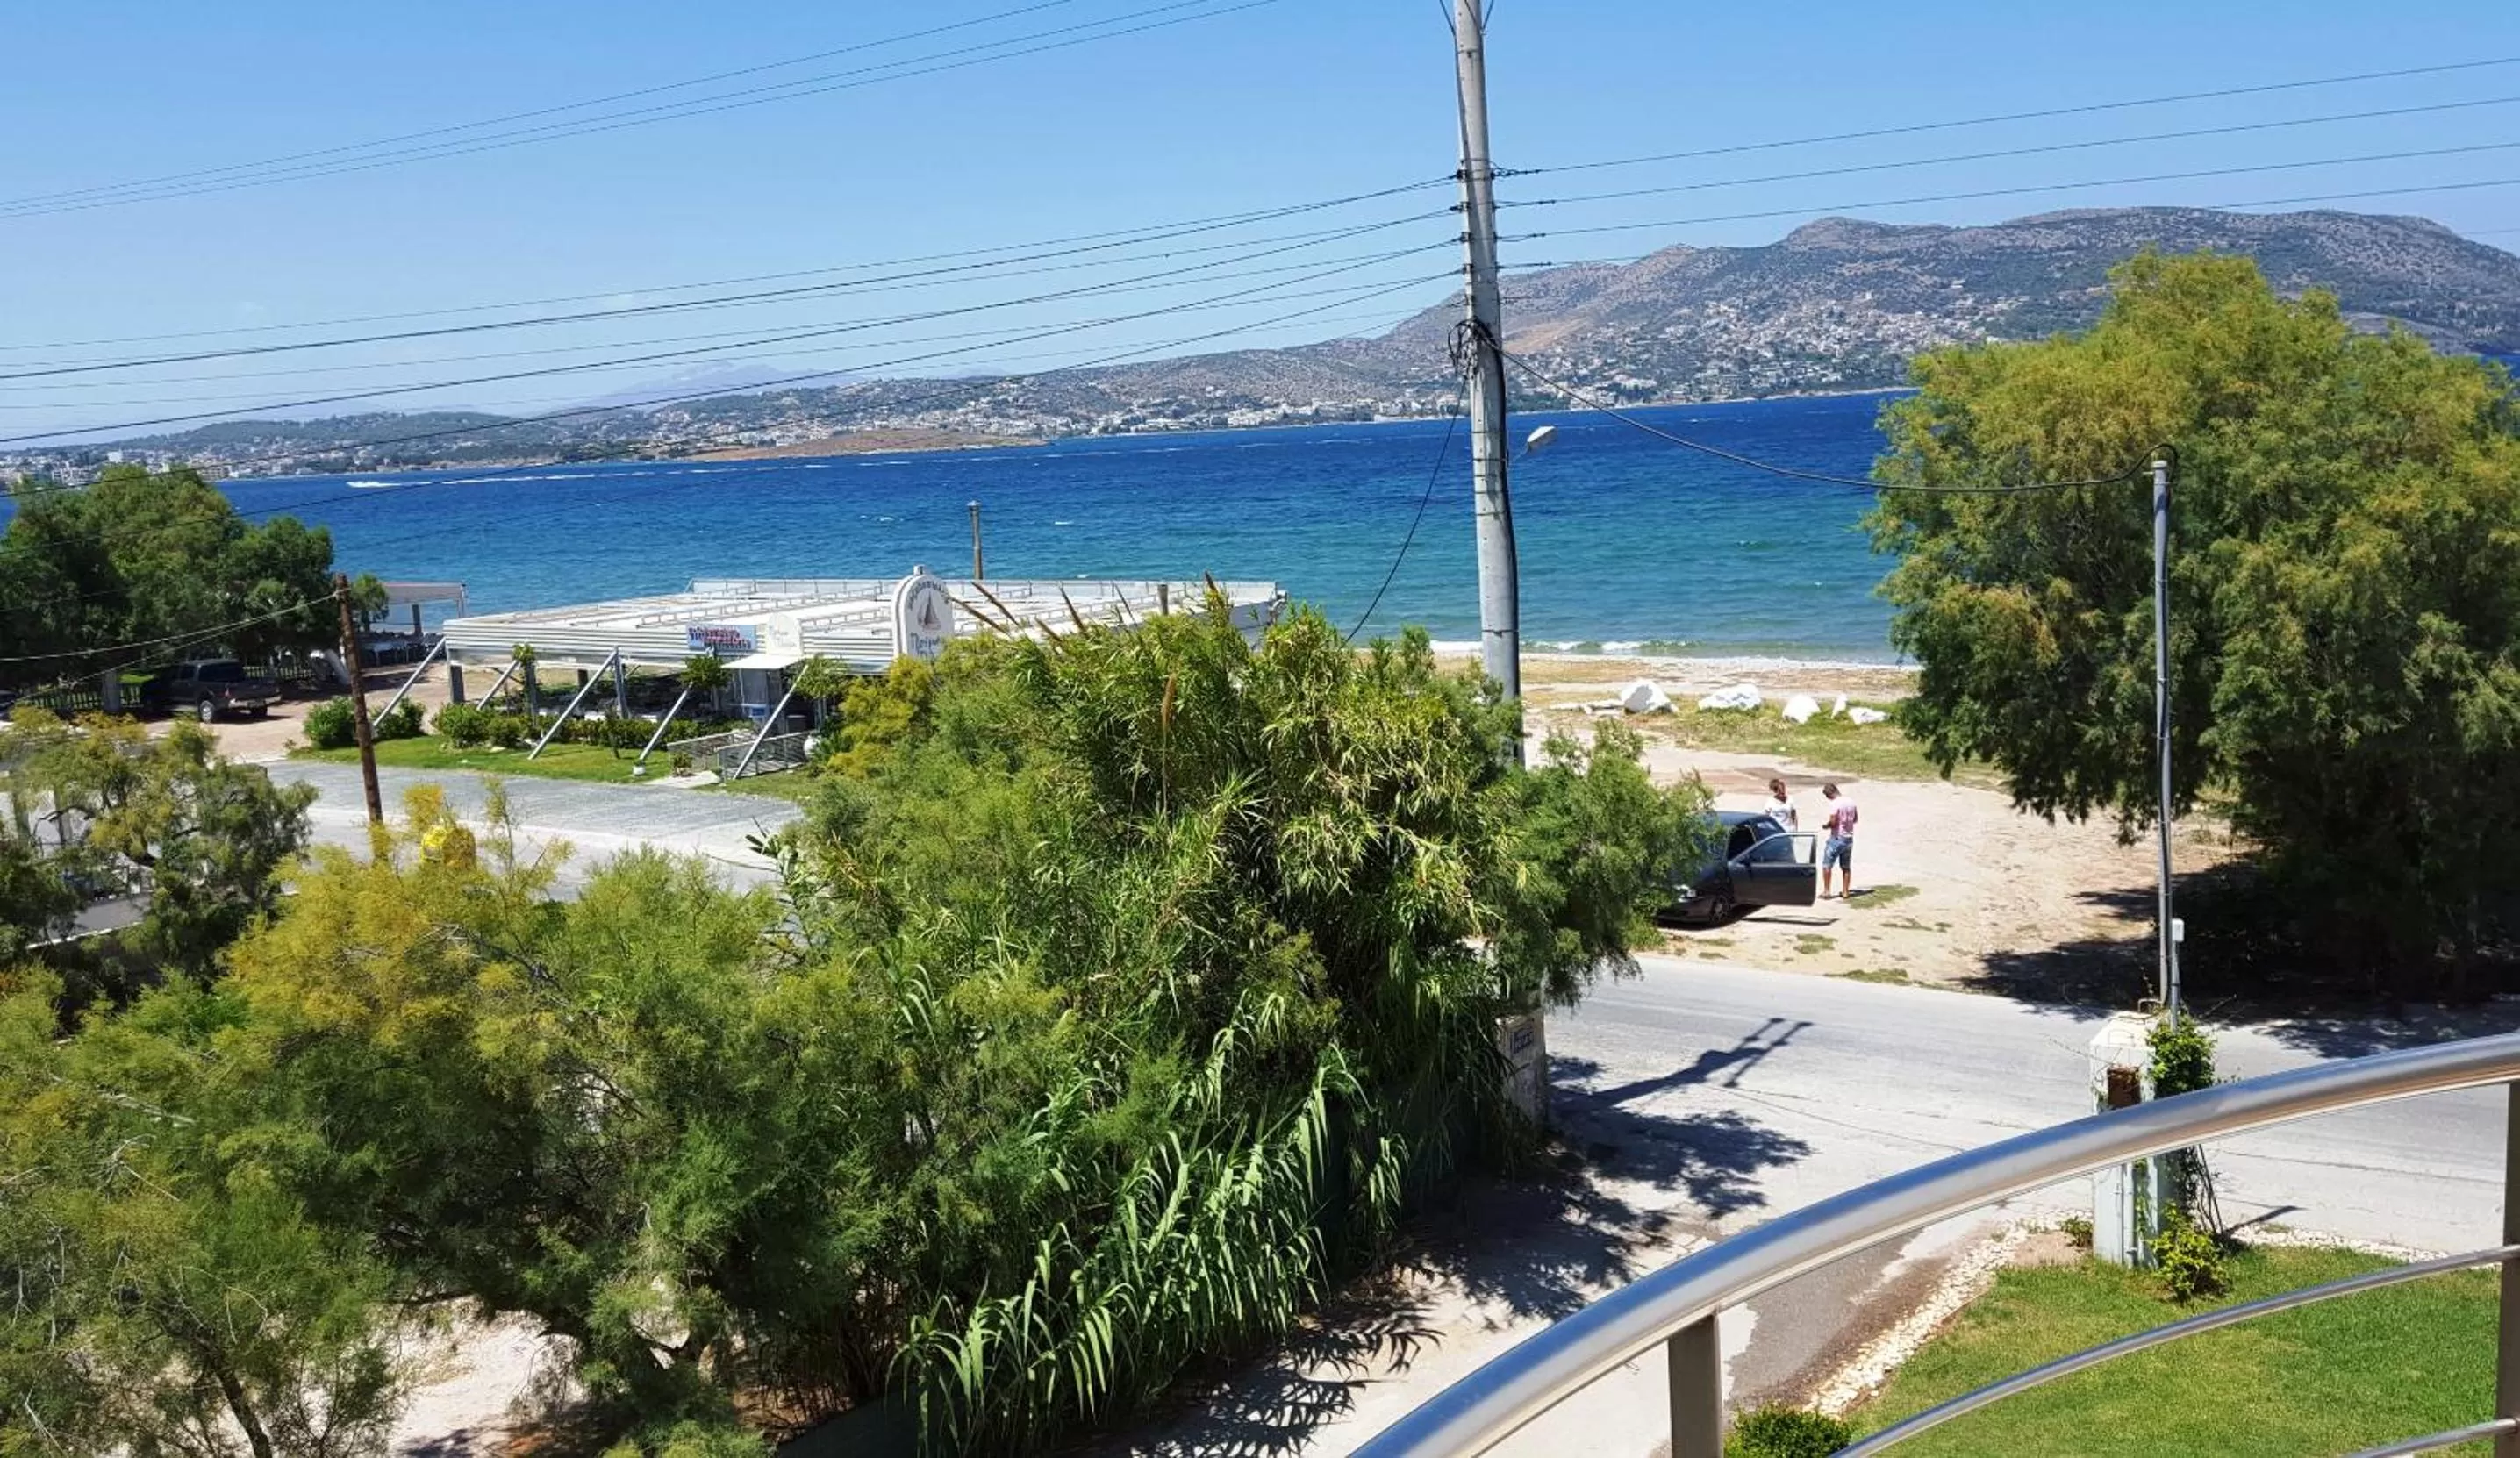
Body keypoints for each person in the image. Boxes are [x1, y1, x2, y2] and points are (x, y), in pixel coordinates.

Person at [1819, 782, 1858, 898]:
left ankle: (1827, 891)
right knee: (1846, 866)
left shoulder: (1835, 804)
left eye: (1827, 796)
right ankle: (1845, 891)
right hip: (1849, 838)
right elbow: (1855, 818)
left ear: (1830, 793)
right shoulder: (1851, 801)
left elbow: (1834, 821)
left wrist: (1827, 826)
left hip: (1837, 837)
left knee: (1827, 864)